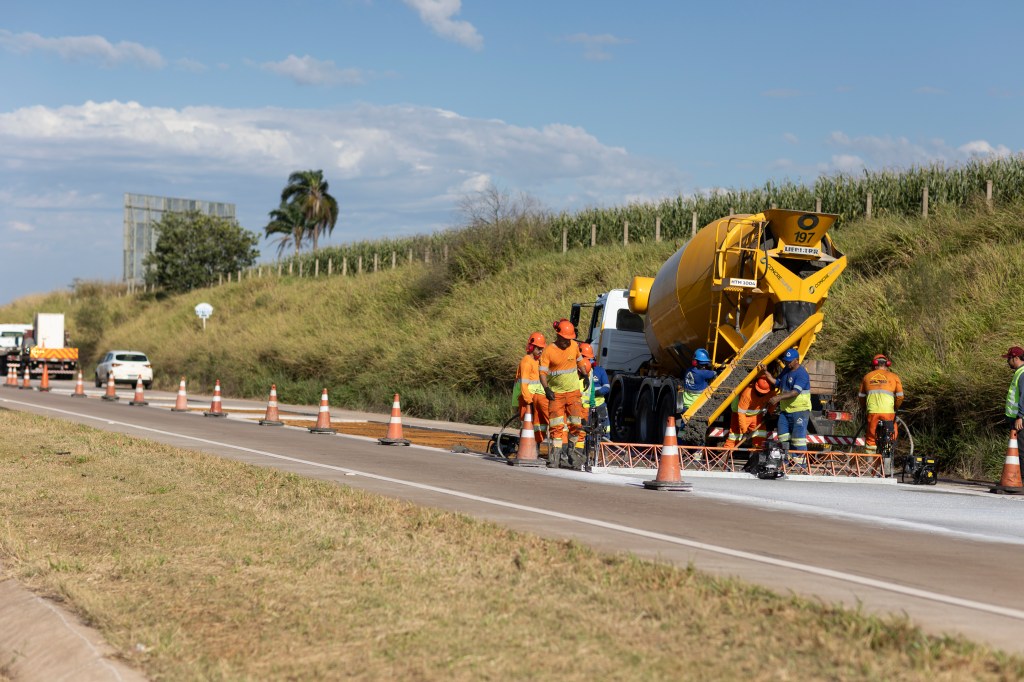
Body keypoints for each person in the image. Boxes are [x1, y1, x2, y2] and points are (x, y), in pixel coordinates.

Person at [539, 320, 589, 469]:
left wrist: (585, 375)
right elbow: (542, 373)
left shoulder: (574, 346)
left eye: (569, 339)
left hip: (573, 393)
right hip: (556, 395)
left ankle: (572, 453)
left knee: (576, 424)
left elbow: (580, 360)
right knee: (556, 426)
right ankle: (555, 457)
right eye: (565, 339)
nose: (567, 342)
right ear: (558, 336)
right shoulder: (549, 351)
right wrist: (547, 389)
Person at [765, 348, 811, 453]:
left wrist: (778, 397)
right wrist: (766, 373)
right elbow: (777, 382)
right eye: (786, 361)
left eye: (789, 361)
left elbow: (795, 392)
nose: (787, 363)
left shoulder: (802, 373)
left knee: (798, 440)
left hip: (800, 411)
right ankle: (784, 463)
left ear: (796, 360)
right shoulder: (786, 370)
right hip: (786, 410)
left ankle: (799, 466)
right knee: (783, 438)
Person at [857, 354, 904, 454]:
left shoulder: (867, 377)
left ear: (874, 364)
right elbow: (900, 396)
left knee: (871, 438)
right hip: (888, 412)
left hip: (872, 412)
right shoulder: (894, 377)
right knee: (891, 433)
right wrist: (895, 408)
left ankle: (870, 463)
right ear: (887, 364)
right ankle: (887, 456)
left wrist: (865, 408)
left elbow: (861, 397)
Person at [513, 332, 549, 446]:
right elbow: (524, 383)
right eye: (538, 348)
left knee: (538, 424)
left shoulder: (538, 361)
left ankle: (535, 446)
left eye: (542, 348)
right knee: (527, 424)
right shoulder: (527, 361)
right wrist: (529, 400)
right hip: (526, 399)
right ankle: (526, 448)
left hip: (535, 399)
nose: (540, 351)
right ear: (532, 347)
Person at [724, 376, 773, 450]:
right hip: (741, 416)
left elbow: (773, 402)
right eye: (759, 392)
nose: (760, 394)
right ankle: (725, 458)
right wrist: (744, 431)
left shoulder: (771, 393)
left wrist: (769, 412)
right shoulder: (747, 393)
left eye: (763, 393)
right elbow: (741, 414)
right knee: (734, 437)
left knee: (760, 437)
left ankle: (756, 459)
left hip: (757, 417)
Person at [1003, 346, 1024, 433]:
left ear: (1016, 358)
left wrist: (1020, 416)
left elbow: (1023, 396)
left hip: (1020, 420)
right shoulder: (1019, 372)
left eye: (1009, 358)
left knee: (1020, 446)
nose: (1007, 361)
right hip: (1016, 418)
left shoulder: (1022, 373)